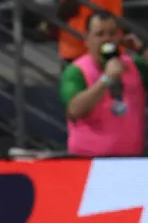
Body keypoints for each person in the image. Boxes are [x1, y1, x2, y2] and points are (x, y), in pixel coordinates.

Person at [61, 12, 148, 157]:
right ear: (86, 38)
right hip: (87, 162)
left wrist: (141, 49)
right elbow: (74, 110)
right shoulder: (76, 71)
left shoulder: (135, 65)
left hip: (131, 161)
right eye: (99, 34)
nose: (107, 39)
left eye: (112, 34)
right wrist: (106, 79)